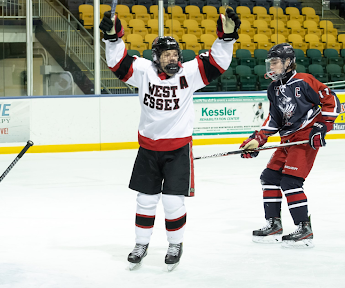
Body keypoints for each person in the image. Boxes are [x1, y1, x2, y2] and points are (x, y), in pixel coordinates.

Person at [99, 9, 241, 270]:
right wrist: (112, 37)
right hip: (148, 148)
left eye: (176, 54)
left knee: (173, 201)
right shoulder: (143, 71)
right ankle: (141, 244)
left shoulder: (190, 73)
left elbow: (218, 63)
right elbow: (117, 63)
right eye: (167, 55)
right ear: (156, 58)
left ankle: (175, 244)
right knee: (146, 199)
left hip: (178, 149)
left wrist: (227, 38)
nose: (173, 59)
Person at [239, 43, 341, 248]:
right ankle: (274, 224)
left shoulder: (304, 81)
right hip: (287, 140)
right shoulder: (273, 88)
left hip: (304, 140)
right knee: (269, 177)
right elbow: (274, 120)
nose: (271, 67)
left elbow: (332, 101)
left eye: (275, 62)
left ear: (288, 62)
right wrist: (257, 139)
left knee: (291, 182)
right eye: (270, 62)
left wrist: (322, 126)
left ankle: (304, 228)